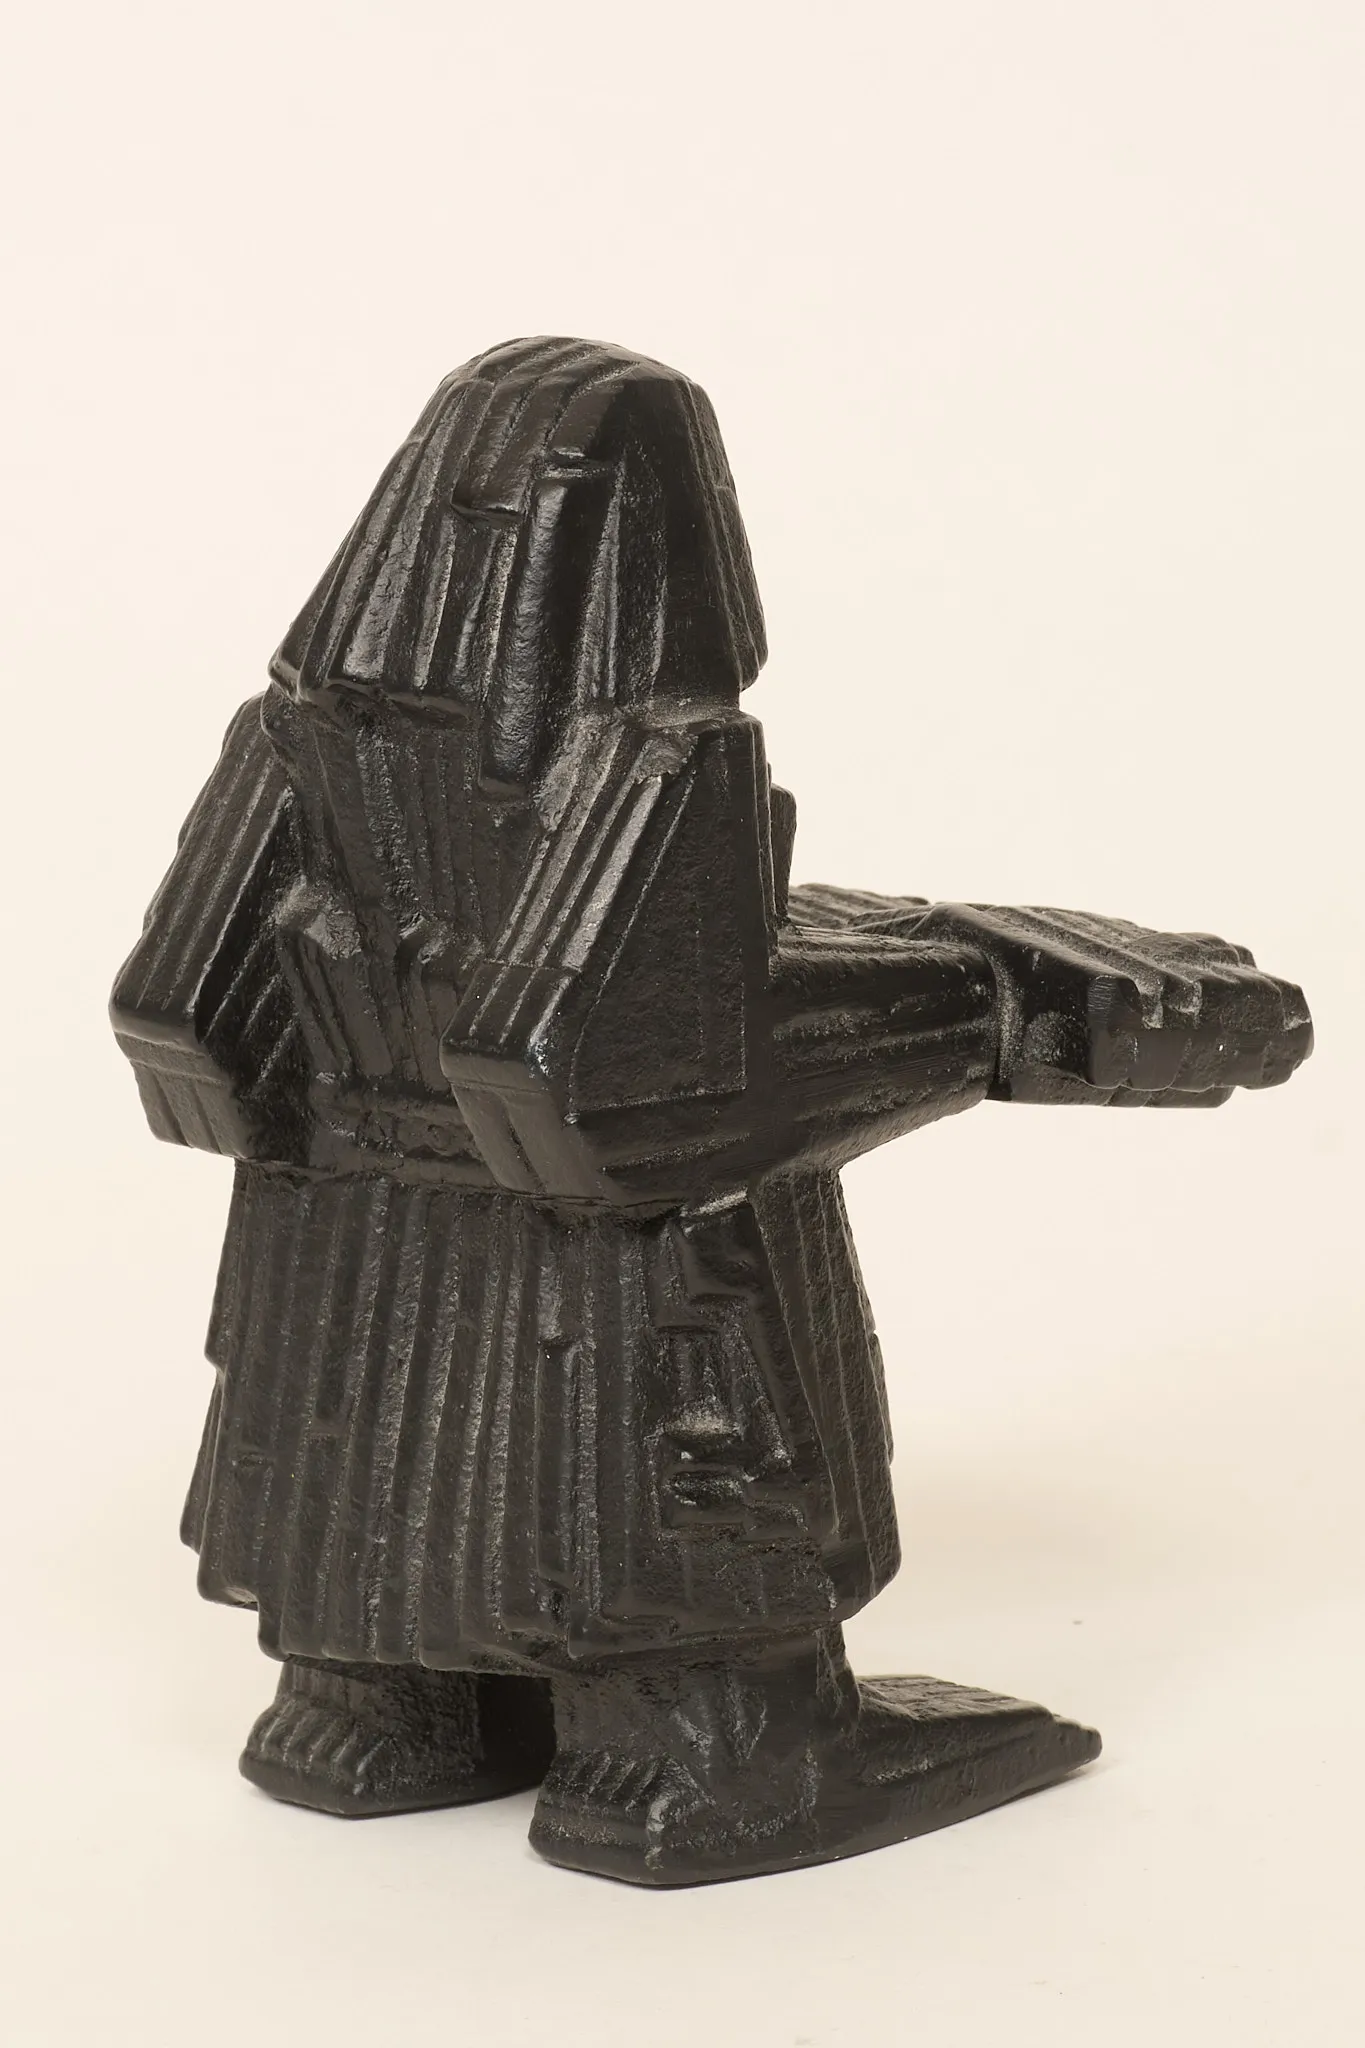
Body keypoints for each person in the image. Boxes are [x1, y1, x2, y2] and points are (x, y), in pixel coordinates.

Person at [113, 337, 1311, 1884]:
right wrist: (990, 1017)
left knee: (373, 1438)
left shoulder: (295, 748)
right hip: (611, 1304)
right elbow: (657, 1085)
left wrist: (954, 938)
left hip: (346, 1293)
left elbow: (193, 1029)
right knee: (685, 1416)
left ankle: (370, 1704)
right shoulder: (663, 752)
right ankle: (700, 1752)